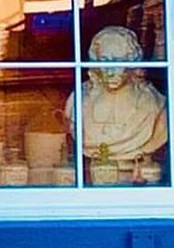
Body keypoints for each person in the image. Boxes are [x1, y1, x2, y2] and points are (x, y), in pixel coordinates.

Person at [65, 25, 168, 166]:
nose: (110, 71)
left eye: (118, 61)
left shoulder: (156, 106)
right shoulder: (78, 100)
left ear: (132, 62)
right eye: (103, 61)